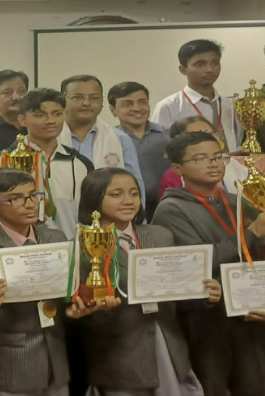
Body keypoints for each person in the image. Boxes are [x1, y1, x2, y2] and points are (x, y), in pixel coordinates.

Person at [0, 168, 110, 396]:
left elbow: (67, 292)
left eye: (34, 195)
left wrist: (77, 307)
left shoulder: (55, 238)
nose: (30, 204)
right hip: (8, 366)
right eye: (15, 199)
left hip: (56, 360)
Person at [151, 131, 265, 396]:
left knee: (256, 385)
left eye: (217, 157)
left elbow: (258, 257)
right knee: (211, 385)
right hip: (208, 317)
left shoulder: (238, 201)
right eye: (200, 159)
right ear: (178, 169)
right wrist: (252, 232)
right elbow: (196, 264)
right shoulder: (171, 209)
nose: (212, 164)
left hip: (249, 310)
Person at [74, 167, 211, 396]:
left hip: (169, 344)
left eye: (134, 193)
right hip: (119, 354)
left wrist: (205, 292)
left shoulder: (160, 235)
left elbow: (177, 291)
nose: (128, 201)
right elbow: (80, 315)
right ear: (94, 198)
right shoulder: (82, 244)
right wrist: (97, 310)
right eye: (116, 194)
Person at [0, 88, 95, 238]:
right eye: (40, 115)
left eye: (57, 114)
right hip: (13, 251)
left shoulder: (80, 164)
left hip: (67, 251)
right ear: (22, 120)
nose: (51, 121)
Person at [57, 75, 145, 202]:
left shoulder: (120, 139)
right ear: (62, 100)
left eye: (94, 98)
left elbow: (135, 184)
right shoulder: (50, 137)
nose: (86, 103)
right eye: (78, 97)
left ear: (102, 102)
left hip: (109, 217)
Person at [150, 40, 242, 152]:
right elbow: (160, 149)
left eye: (215, 63)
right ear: (183, 70)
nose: (210, 69)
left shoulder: (231, 104)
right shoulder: (169, 107)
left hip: (234, 167)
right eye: (200, 64)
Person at [108, 82, 169, 216]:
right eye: (128, 104)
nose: (137, 108)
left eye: (142, 102)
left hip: (167, 209)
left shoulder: (168, 136)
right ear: (113, 110)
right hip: (127, 211)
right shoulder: (110, 140)